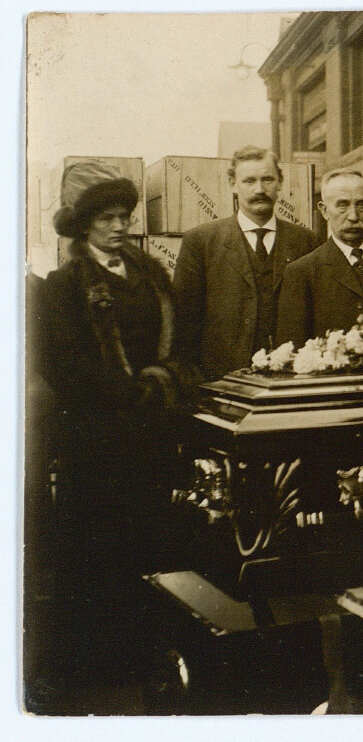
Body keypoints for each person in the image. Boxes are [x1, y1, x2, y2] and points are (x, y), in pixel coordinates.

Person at [37, 160, 201, 685]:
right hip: (99, 442)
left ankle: (152, 653)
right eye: (106, 217)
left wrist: (163, 380)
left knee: (153, 541)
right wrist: (127, 394)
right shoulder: (63, 286)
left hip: (154, 433)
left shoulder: (151, 275)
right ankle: (103, 666)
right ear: (83, 225)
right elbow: (64, 364)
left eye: (123, 215)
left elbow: (180, 341)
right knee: (102, 548)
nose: (118, 225)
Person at [173, 146, 323, 380]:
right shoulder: (201, 242)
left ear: (280, 182)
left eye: (268, 179)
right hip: (221, 381)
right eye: (249, 181)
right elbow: (184, 323)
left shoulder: (306, 241)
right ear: (233, 184)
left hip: (289, 381)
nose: (259, 189)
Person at [275, 169, 363, 348]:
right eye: (342, 205)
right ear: (324, 210)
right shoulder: (302, 272)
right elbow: (290, 350)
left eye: (361, 205)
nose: (354, 216)